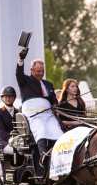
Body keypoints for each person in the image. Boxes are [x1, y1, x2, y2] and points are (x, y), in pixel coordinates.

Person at [16, 47, 63, 177]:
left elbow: (54, 101)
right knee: (41, 129)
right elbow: (18, 74)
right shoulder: (25, 80)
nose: (40, 73)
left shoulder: (48, 84)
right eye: (37, 71)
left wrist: (57, 107)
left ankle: (60, 159)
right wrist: (21, 59)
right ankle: (44, 158)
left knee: (57, 132)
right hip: (33, 114)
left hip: (47, 114)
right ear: (32, 70)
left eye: (42, 71)